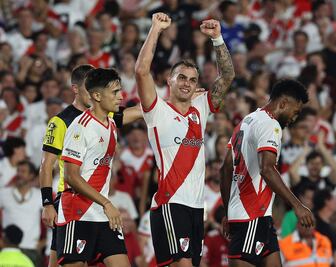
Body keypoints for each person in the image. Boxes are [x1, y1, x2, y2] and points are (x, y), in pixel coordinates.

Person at [135, 12, 234, 267]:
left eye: (192, 79)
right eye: (181, 77)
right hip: (171, 203)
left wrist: (218, 40)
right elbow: (141, 71)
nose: (187, 84)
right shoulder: (156, 110)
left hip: (195, 207)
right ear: (169, 81)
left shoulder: (201, 105)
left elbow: (228, 77)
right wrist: (155, 29)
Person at [39, 64, 143, 267]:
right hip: (71, 202)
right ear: (80, 89)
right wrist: (47, 204)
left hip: (100, 206)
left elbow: (139, 111)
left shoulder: (108, 117)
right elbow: (46, 166)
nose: (119, 96)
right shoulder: (62, 122)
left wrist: (177, 100)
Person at [220, 79, 314, 266]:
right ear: (283, 103)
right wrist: (297, 205)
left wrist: (227, 211)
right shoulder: (271, 125)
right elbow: (267, 169)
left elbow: (225, 169)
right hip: (251, 216)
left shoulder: (247, 120)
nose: (294, 119)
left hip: (258, 217)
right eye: (295, 112)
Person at [56, 68, 129, 266]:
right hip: (78, 214)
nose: (121, 97)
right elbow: (72, 176)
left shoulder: (111, 124)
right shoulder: (80, 127)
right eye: (115, 92)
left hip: (103, 216)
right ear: (97, 95)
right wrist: (107, 203)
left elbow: (141, 111)